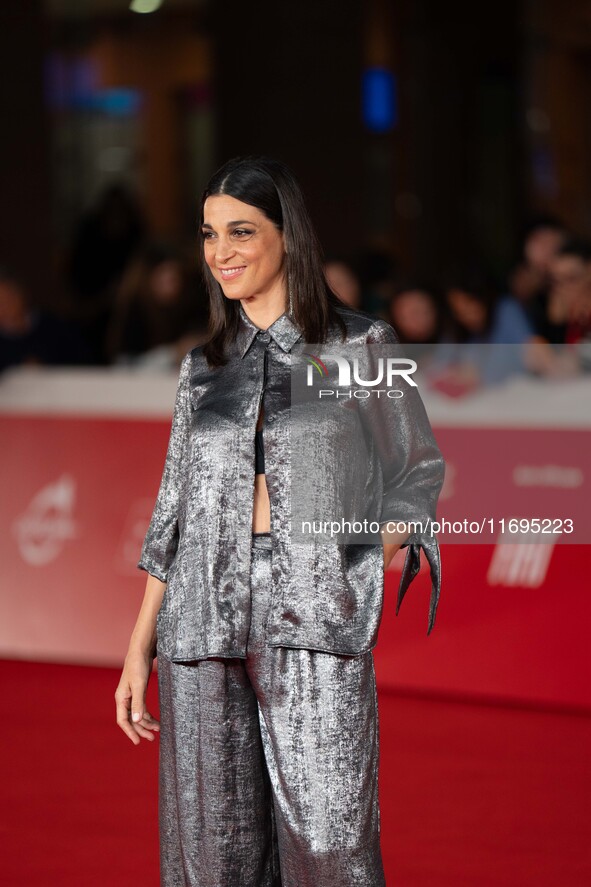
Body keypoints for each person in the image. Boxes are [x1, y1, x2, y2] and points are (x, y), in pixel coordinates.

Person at [115, 156, 445, 887]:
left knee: (330, 846)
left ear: (286, 237)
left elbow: (416, 473)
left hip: (312, 612)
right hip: (199, 621)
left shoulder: (354, 347)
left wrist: (352, 564)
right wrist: (139, 646)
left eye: (240, 231)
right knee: (212, 856)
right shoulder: (203, 366)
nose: (220, 251)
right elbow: (172, 509)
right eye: (208, 234)